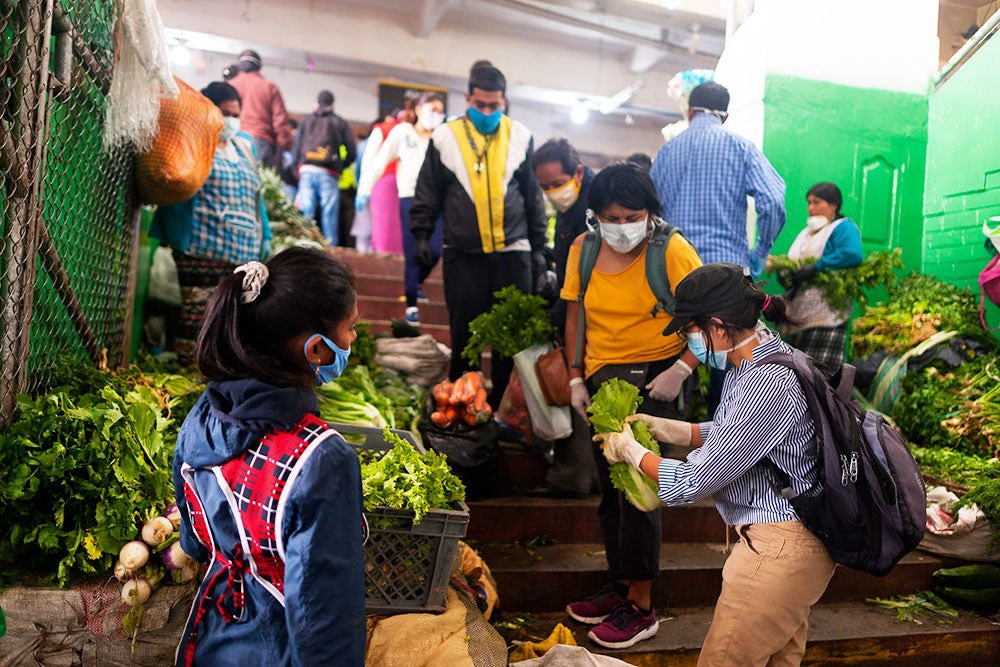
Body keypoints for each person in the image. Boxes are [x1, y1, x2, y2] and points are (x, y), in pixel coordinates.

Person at [596, 262, 835, 665]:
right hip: (793, 548)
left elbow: (692, 481)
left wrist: (633, 452)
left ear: (718, 326)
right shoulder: (765, 356)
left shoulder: (766, 381)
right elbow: (743, 433)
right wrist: (672, 430)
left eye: (691, 331)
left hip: (777, 551)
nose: (690, 342)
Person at [172, 248, 365, 666]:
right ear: (315, 350)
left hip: (211, 641)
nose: (353, 341)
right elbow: (324, 629)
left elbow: (193, 539)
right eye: (350, 329)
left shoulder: (201, 416)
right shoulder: (321, 459)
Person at [561, 162, 703, 650]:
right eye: (611, 217)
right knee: (611, 490)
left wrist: (683, 367)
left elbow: (708, 320)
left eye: (632, 215)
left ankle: (641, 606)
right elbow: (575, 313)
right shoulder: (583, 250)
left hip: (655, 380)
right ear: (594, 216)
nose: (622, 226)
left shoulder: (674, 251)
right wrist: (576, 376)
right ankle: (620, 584)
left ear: (650, 213)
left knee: (640, 491)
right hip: (603, 379)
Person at [411, 64, 548, 407]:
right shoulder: (445, 136)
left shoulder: (521, 135)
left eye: (494, 106)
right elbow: (427, 190)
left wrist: (539, 249)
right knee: (465, 340)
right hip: (463, 255)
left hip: (513, 255)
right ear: (468, 98)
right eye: (481, 104)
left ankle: (501, 412)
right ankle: (461, 409)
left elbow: (532, 197)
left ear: (504, 101)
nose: (487, 112)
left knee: (509, 345)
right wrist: (421, 235)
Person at [649, 81, 786, 418]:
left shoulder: (667, 151)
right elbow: (773, 201)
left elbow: (650, 213)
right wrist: (759, 253)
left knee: (674, 371)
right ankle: (723, 452)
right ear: (725, 116)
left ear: (690, 112)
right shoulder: (741, 147)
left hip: (674, 278)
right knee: (730, 373)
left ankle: (675, 447)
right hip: (726, 281)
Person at [151, 82, 271, 365]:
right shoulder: (192, 137)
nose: (231, 120)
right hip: (199, 246)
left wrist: (264, 234)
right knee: (200, 314)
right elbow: (178, 179)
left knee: (232, 320)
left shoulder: (244, 146)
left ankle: (218, 377)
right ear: (209, 108)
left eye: (235, 114)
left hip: (241, 249)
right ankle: (188, 375)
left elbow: (257, 195)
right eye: (225, 112)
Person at [528, 137, 598, 498]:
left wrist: (559, 310)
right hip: (578, 308)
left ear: (578, 172)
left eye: (557, 183)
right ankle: (586, 476)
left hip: (593, 315)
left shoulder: (596, 203)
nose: (552, 192)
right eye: (545, 187)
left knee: (580, 392)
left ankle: (574, 477)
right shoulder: (570, 211)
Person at [357, 92, 447, 325]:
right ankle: (411, 306)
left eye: (440, 110)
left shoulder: (441, 138)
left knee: (435, 251)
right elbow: (380, 161)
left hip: (436, 202)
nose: (436, 115)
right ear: (418, 109)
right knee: (413, 252)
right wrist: (364, 189)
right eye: (432, 109)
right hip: (409, 198)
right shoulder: (402, 133)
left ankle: (416, 284)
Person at [778, 182, 863, 368]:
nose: (811, 208)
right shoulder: (805, 233)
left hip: (826, 317)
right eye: (809, 203)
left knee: (819, 377)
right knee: (797, 375)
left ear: (833, 205)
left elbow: (852, 254)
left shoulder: (843, 227)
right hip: (798, 315)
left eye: (817, 202)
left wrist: (817, 267)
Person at [291, 90, 357, 246]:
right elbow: (351, 151)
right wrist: (340, 166)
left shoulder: (306, 120)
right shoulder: (339, 122)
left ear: (316, 104)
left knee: (307, 212)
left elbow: (296, 148)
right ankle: (330, 249)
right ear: (333, 104)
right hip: (329, 171)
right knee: (329, 213)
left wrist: (297, 170)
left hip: (306, 170)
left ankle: (304, 245)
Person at [228, 50, 293, 169]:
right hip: (260, 141)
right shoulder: (269, 87)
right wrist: (286, 144)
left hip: (233, 138)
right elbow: (280, 120)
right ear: (259, 66)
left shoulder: (229, 85)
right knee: (260, 183)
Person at [360, 111, 405, 254]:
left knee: (383, 227)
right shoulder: (412, 131)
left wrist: (363, 189)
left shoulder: (383, 129)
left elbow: (369, 162)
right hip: (407, 185)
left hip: (384, 183)